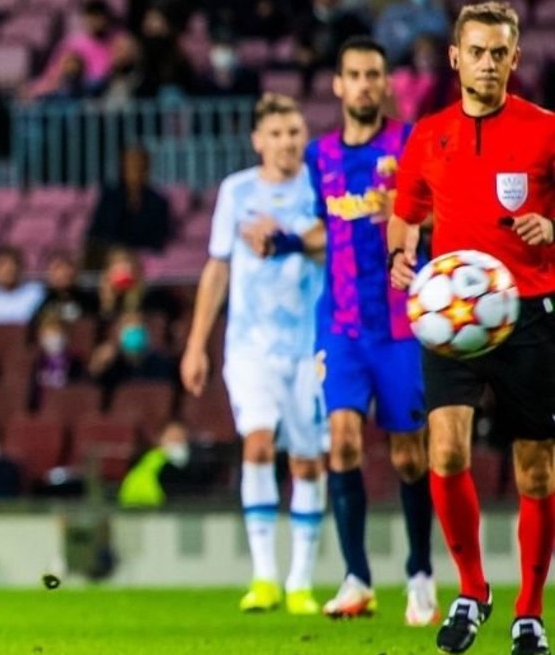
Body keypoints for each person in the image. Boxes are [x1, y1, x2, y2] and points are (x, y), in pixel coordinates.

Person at [242, 37, 437, 626]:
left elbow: (438, 213)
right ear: (338, 84)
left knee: (409, 455)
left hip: (400, 324)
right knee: (344, 442)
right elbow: (323, 229)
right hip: (341, 326)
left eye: (373, 74)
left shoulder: (409, 143)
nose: (364, 84)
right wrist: (281, 242)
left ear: (385, 82)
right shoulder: (320, 156)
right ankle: (356, 579)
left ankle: (420, 573)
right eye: (354, 75)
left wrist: (411, 219)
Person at [386, 4, 555, 653]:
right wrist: (401, 253)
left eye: (499, 52)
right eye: (477, 51)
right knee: (446, 452)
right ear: (455, 58)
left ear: (515, 58)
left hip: (530, 313)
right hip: (451, 318)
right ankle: (472, 590)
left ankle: (529, 611)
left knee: (535, 471)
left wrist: (551, 227)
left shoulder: (545, 130)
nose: (488, 63)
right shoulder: (428, 135)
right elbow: (406, 213)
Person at [179, 93, 326, 616]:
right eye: (277, 134)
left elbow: (333, 240)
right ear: (258, 140)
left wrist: (289, 239)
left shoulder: (320, 186)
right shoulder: (236, 191)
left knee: (307, 462)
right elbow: (217, 267)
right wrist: (196, 343)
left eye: (294, 132)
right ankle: (264, 576)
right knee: (258, 444)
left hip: (311, 347)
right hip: (250, 346)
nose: (287, 142)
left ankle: (300, 582)